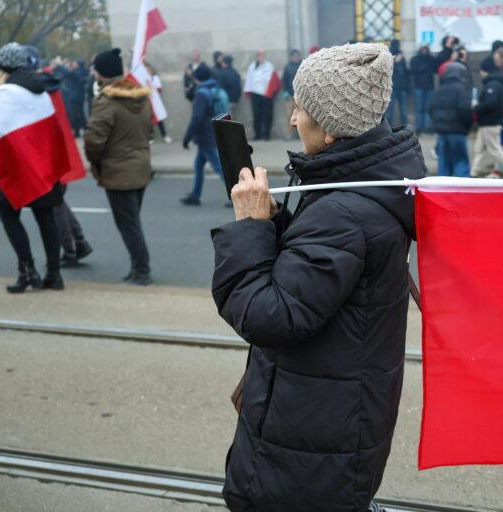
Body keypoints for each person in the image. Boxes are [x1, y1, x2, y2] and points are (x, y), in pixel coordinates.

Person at [212, 42, 426, 512]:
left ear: (329, 129)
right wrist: (275, 224)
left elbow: (272, 316)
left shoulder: (345, 211)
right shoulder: (364, 186)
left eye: (300, 107)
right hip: (334, 410)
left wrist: (250, 229)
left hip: (313, 431)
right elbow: (324, 277)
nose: (292, 120)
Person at [0, 43, 65, 293]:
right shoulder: (40, 88)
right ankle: (54, 275)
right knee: (45, 216)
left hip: (19, 166)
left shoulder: (6, 92)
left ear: (3, 65)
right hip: (43, 163)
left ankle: (27, 270)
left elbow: (0, 133)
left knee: (7, 211)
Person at [85, 48, 154, 285]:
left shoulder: (106, 101)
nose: (93, 73)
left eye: (95, 70)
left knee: (128, 225)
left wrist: (96, 162)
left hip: (118, 171)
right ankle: (137, 268)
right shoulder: (141, 96)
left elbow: (94, 140)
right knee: (132, 222)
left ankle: (142, 270)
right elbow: (149, 131)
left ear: (102, 74)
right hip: (140, 167)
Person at [180, 63, 225, 206]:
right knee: (198, 165)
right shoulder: (210, 89)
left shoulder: (201, 94)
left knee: (219, 167)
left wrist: (186, 138)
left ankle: (239, 194)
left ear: (197, 77)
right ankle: (195, 195)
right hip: (209, 133)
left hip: (205, 136)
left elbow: (196, 119)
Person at [429, 62, 473, 177]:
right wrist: (467, 127)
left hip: (442, 133)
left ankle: (443, 192)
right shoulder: (461, 90)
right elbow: (466, 111)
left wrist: (438, 125)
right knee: (461, 163)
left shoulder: (439, 90)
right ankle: (463, 191)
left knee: (443, 166)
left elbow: (431, 109)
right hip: (458, 132)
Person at [472, 62, 503, 178]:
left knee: (495, 149)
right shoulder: (495, 84)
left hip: (490, 124)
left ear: (486, 71)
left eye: (481, 70)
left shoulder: (492, 85)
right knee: (479, 149)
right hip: (487, 123)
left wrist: (477, 107)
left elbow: (491, 103)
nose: (480, 73)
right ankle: (474, 172)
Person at [244, 50, 277, 140]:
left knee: (267, 115)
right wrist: (248, 90)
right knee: (256, 115)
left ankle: (266, 134)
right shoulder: (252, 66)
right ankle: (257, 134)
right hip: (255, 94)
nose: (261, 57)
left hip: (267, 94)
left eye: (263, 55)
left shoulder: (269, 66)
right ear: (257, 56)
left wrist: (271, 92)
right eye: (260, 55)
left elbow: (274, 80)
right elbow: (249, 79)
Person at [410, 45, 437, 133]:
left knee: (427, 108)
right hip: (419, 87)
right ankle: (419, 127)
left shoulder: (431, 59)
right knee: (419, 109)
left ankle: (427, 127)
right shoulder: (415, 59)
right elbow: (413, 70)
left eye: (426, 49)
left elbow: (436, 69)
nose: (425, 51)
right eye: (423, 49)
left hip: (429, 87)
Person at [145, 63, 172, 144]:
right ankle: (150, 137)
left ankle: (164, 135)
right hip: (147, 101)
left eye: (149, 70)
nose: (148, 71)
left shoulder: (154, 78)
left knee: (159, 119)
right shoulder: (143, 79)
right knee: (148, 120)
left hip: (155, 100)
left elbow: (159, 89)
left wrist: (152, 84)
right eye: (146, 70)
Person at [386, 39, 409, 127]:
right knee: (390, 111)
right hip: (392, 87)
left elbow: (405, 71)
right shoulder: (388, 54)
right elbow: (388, 70)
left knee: (403, 110)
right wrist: (396, 62)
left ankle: (405, 127)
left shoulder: (401, 54)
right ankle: (389, 128)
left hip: (402, 87)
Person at [281, 49, 301, 139]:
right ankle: (288, 133)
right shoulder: (287, 67)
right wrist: (285, 91)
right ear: (291, 57)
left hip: (300, 95)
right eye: (294, 56)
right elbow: (284, 81)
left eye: (297, 56)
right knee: (289, 115)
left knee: (301, 115)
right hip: (290, 95)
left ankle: (300, 134)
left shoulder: (302, 65)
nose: (296, 58)